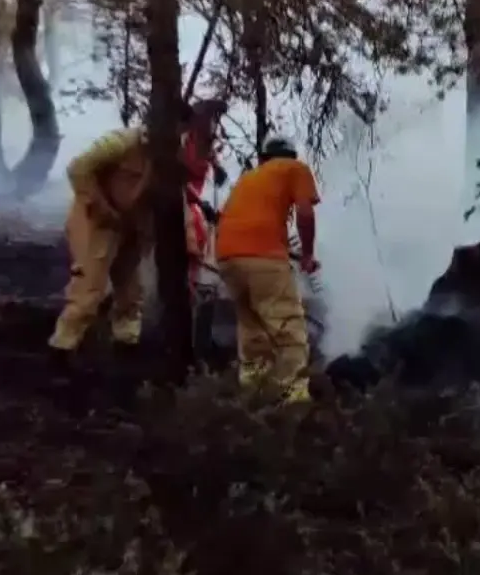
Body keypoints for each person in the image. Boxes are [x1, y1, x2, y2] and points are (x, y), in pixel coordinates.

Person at [47, 105, 194, 365]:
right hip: (96, 223)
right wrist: (102, 207)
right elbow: (78, 168)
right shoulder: (122, 143)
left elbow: (177, 200)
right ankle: (63, 348)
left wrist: (189, 238)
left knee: (130, 290)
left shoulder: (169, 158)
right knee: (89, 289)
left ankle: (126, 344)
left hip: (132, 227)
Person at [214, 137, 320, 385]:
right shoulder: (295, 168)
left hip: (227, 256)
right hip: (262, 256)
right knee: (288, 328)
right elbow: (305, 212)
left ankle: (254, 391)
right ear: (290, 156)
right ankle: (293, 396)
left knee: (252, 329)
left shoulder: (247, 179)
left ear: (262, 159)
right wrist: (307, 254)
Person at [181, 99, 228, 288]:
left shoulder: (207, 145)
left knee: (201, 237)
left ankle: (191, 288)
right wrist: (201, 203)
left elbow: (213, 163)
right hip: (177, 199)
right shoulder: (183, 140)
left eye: (215, 119)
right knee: (192, 238)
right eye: (209, 118)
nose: (213, 123)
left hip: (192, 203)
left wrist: (218, 169)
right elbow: (176, 177)